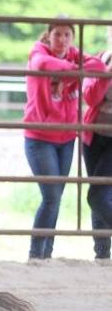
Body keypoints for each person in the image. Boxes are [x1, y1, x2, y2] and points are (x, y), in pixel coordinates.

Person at [23, 18, 106, 260]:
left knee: (56, 196)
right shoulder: (38, 51)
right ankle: (35, 254)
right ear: (48, 35)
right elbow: (42, 64)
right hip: (40, 136)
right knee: (51, 196)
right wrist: (74, 69)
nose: (62, 40)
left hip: (67, 137)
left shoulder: (74, 54)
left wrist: (71, 67)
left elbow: (99, 68)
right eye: (57, 34)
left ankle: (45, 255)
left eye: (67, 35)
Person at [81, 50, 112, 260]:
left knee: (97, 196)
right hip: (93, 136)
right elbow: (90, 97)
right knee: (97, 193)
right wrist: (107, 73)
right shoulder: (101, 59)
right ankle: (101, 255)